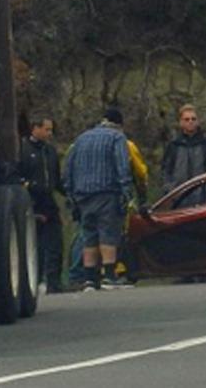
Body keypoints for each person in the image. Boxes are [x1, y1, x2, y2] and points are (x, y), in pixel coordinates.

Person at [63, 106, 136, 291]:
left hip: (82, 195)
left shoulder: (81, 139)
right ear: (119, 125)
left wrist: (70, 194)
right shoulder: (117, 137)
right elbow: (122, 165)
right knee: (108, 234)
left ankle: (89, 279)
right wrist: (127, 191)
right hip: (107, 192)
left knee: (89, 236)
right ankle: (109, 276)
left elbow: (68, 168)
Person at [18, 115, 64, 294]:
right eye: (46, 129)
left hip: (48, 201)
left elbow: (56, 178)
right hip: (31, 201)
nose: (49, 133)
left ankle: (54, 281)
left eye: (51, 130)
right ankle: (33, 281)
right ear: (35, 128)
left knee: (55, 243)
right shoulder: (23, 149)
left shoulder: (50, 151)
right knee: (35, 244)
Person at [161, 104, 206, 192]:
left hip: (204, 196)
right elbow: (165, 170)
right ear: (181, 122)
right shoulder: (174, 145)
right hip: (179, 196)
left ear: (198, 121)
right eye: (187, 119)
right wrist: (168, 188)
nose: (190, 122)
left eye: (193, 119)